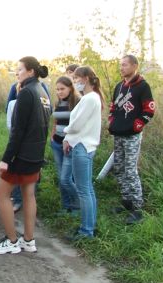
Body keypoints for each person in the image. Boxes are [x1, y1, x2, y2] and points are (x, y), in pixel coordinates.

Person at [0, 57, 49, 255]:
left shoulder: (25, 93)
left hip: (21, 155)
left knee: (0, 193)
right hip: (36, 153)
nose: (17, 73)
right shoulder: (43, 92)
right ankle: (29, 241)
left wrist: (6, 159)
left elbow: (18, 131)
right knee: (28, 194)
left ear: (31, 71)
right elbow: (43, 127)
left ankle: (12, 240)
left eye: (20, 69)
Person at [109, 55, 155, 224]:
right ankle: (126, 201)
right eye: (120, 65)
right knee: (119, 168)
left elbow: (149, 110)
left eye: (125, 65)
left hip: (132, 135)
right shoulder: (119, 86)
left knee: (130, 170)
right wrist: (112, 121)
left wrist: (137, 125)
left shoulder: (143, 86)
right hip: (118, 133)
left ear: (135, 66)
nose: (122, 68)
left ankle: (137, 208)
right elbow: (113, 106)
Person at [63, 66, 103, 240]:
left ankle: (86, 231)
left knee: (83, 191)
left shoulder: (89, 99)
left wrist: (66, 131)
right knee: (87, 189)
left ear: (86, 78)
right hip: (85, 146)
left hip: (82, 147)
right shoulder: (91, 98)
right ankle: (89, 226)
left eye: (77, 78)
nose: (75, 82)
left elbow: (77, 125)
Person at [51, 76, 81, 215]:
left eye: (62, 89)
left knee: (68, 178)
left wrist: (70, 140)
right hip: (57, 143)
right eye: (57, 89)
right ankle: (65, 205)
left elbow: (79, 125)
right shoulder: (58, 102)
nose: (59, 92)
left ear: (70, 88)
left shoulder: (78, 102)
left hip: (70, 144)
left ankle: (77, 205)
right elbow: (56, 120)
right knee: (61, 176)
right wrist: (52, 135)